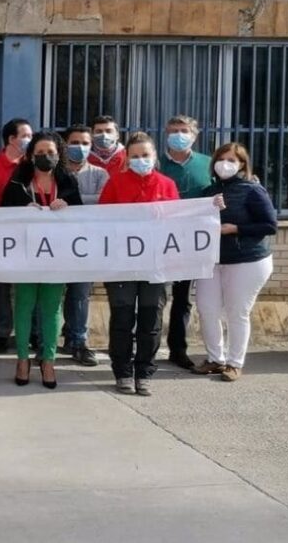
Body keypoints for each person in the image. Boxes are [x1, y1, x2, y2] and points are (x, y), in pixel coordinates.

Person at [98, 131, 179, 397]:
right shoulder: (115, 183)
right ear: (127, 158)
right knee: (122, 319)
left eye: (145, 155)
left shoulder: (167, 185)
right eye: (135, 156)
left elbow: (181, 222)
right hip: (121, 264)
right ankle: (122, 372)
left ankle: (144, 372)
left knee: (150, 320)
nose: (141, 160)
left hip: (156, 265)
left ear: (154, 157)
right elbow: (102, 221)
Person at [1, 131, 83, 390]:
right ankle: (22, 359)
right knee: (24, 306)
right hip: (24, 255)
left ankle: (48, 361)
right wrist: (21, 210)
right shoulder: (17, 183)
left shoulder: (68, 181)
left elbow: (83, 217)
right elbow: (1, 215)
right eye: (39, 153)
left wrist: (67, 207)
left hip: (57, 256)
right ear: (30, 155)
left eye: (50, 153)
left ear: (58, 155)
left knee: (52, 308)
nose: (45, 157)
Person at [193, 143, 276, 382]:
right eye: (221, 158)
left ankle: (234, 363)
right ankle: (214, 359)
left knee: (236, 312)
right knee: (207, 309)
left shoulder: (252, 190)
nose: (225, 164)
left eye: (232, 160)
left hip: (247, 260)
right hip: (212, 260)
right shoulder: (208, 191)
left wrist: (236, 229)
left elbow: (269, 225)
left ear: (242, 165)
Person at [158, 115, 213, 371]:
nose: (178, 135)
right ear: (165, 134)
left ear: (195, 135)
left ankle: (178, 349)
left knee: (182, 298)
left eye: (184, 130)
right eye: (173, 130)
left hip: (192, 243)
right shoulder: (154, 163)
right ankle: (147, 346)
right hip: (156, 241)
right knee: (155, 296)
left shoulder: (209, 164)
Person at [0, 118, 34, 354]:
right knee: (0, 287)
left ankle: (33, 332)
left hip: (31, 236)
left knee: (30, 285)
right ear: (12, 139)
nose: (29, 140)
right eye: (25, 136)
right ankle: (2, 331)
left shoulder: (33, 165)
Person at [61, 125, 109, 367]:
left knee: (80, 294)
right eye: (74, 141)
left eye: (85, 143)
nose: (79, 147)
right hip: (55, 243)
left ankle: (78, 339)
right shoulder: (55, 172)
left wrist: (69, 201)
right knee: (51, 293)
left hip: (86, 243)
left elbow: (104, 200)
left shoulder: (100, 174)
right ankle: (43, 339)